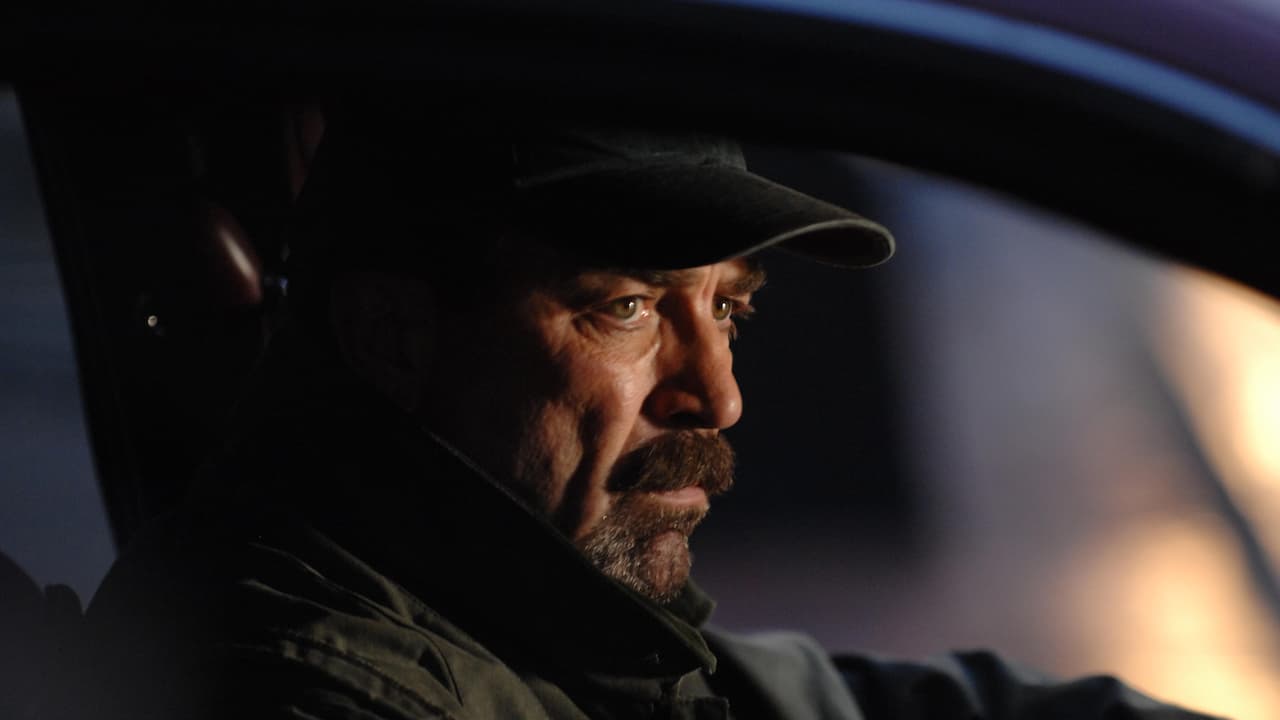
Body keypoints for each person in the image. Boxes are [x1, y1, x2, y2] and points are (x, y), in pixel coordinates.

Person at [47, 111, 1219, 720]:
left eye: (728, 309)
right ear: (394, 336)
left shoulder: (528, 615)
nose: (716, 393)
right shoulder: (333, 691)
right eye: (626, 307)